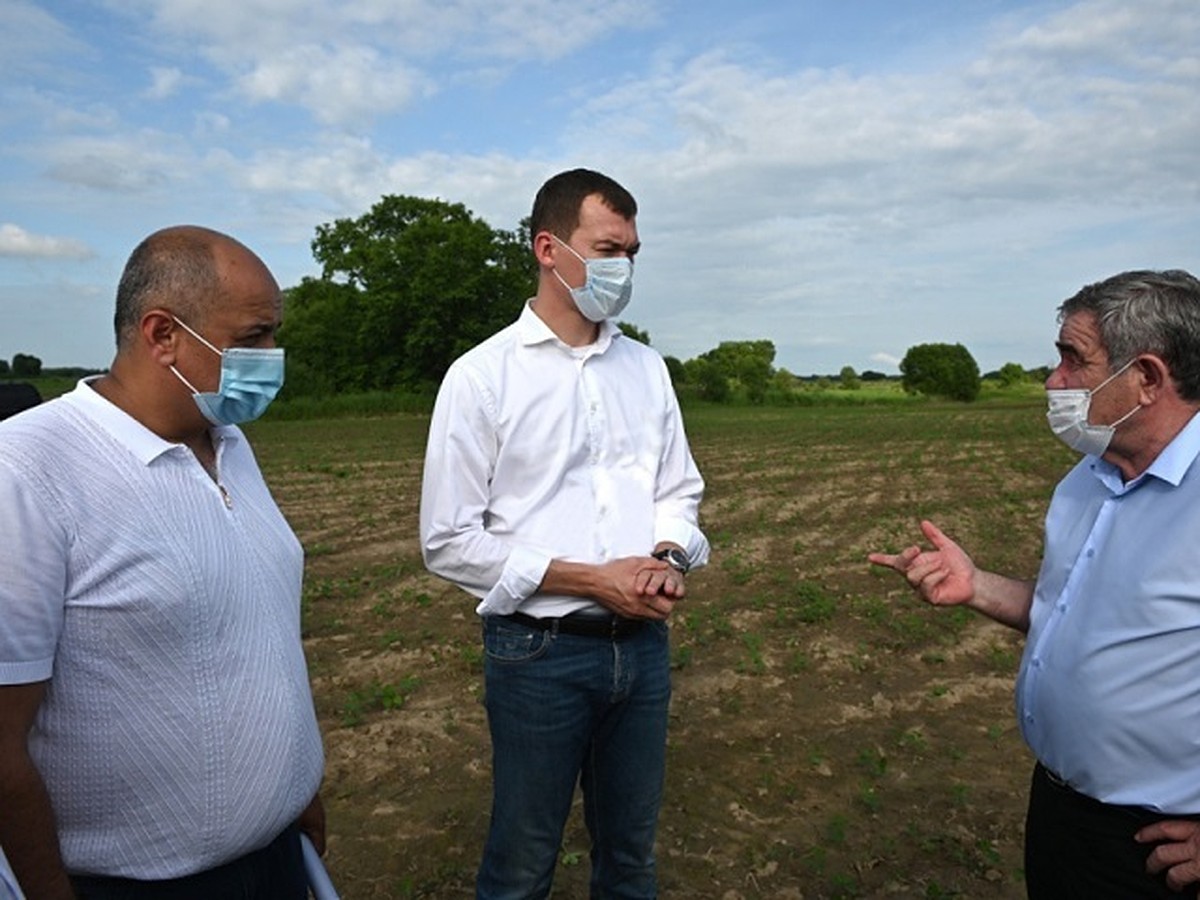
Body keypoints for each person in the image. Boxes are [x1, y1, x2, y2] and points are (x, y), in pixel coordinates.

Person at [0, 226, 326, 899]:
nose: (273, 356)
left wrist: (295, 788)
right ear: (161, 335)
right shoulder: (25, 470)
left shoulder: (228, 441)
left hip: (276, 858)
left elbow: (253, 636)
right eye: (255, 337)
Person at [420, 168, 709, 899]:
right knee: (521, 866)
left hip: (642, 651)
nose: (625, 268)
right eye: (609, 248)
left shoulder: (646, 369)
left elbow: (678, 490)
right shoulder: (481, 377)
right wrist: (589, 578)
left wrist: (668, 557)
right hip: (536, 655)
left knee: (632, 859)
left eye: (633, 252)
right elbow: (448, 540)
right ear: (549, 248)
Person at [869, 269, 1200, 898]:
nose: (1053, 381)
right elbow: (1071, 612)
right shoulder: (1086, 479)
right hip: (1059, 810)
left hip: (1163, 846)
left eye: (1073, 359)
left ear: (1148, 378)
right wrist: (976, 586)